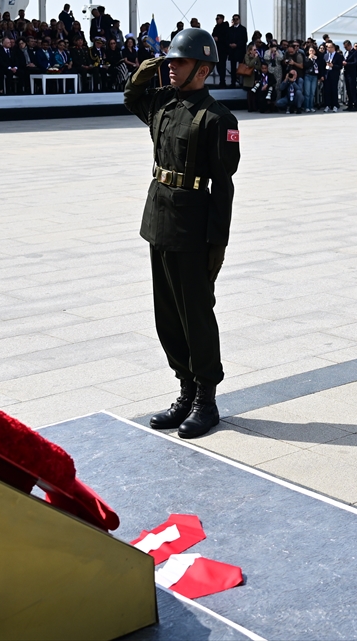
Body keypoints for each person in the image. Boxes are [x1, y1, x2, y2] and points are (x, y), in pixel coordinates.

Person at [123, 28, 240, 439]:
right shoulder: (163, 105)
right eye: (170, 61)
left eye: (180, 61)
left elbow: (223, 187)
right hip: (159, 220)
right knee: (167, 313)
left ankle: (206, 398)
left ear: (203, 70)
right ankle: (185, 389)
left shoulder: (217, 119)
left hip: (193, 227)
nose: (172, 67)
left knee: (196, 314)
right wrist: (150, 65)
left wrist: (217, 243)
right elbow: (131, 96)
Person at [321, 41, 343, 112]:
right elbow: (322, 66)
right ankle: (327, 105)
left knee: (334, 90)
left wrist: (333, 65)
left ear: (333, 48)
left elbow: (340, 66)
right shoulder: (325, 55)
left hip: (334, 75)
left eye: (329, 47)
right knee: (327, 90)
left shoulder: (338, 56)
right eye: (327, 47)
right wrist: (322, 75)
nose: (328, 48)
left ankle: (335, 105)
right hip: (327, 74)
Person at [343, 40, 357, 111]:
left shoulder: (355, 52)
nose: (345, 48)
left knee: (352, 89)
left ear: (349, 45)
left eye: (346, 47)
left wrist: (347, 64)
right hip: (346, 72)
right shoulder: (346, 52)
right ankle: (350, 104)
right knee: (348, 89)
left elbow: (356, 62)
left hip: (352, 73)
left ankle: (356, 105)